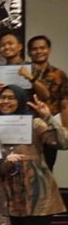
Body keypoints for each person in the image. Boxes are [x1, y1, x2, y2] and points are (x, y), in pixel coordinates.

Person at [0, 85, 67, 225]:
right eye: (2, 98)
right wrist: (6, 162)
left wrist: (47, 117)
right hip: (13, 196)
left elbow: (63, 143)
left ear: (19, 100)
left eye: (11, 97)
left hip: (38, 196)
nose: (6, 101)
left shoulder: (35, 123)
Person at [27, 35, 68, 170]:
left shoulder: (59, 75)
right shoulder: (22, 73)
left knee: (48, 167)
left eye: (42, 48)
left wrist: (65, 129)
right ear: (29, 53)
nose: (39, 51)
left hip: (50, 127)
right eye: (34, 49)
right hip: (28, 128)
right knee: (28, 168)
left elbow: (64, 104)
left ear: (49, 50)